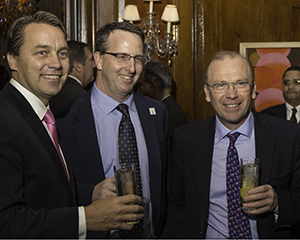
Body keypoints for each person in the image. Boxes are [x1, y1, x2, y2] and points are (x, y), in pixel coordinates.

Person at [0, 11, 143, 238]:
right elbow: (5, 224)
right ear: (12, 60)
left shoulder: (44, 116)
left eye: (62, 53)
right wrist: (86, 218)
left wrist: (91, 194)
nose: (56, 63)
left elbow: (48, 192)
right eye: (41, 52)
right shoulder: (5, 120)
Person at [166, 51, 300, 238]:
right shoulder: (186, 139)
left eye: (240, 83)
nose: (231, 94)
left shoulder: (288, 136)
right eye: (221, 85)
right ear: (207, 93)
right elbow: (177, 205)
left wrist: (277, 202)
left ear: (253, 89)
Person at [57, 21, 169, 238]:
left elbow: (166, 184)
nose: (132, 68)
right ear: (98, 60)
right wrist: (90, 193)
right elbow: (49, 190)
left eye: (138, 59)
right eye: (122, 57)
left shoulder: (158, 113)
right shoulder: (65, 118)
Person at [136, 60, 188, 140]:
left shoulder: (165, 112)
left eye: (140, 85)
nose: (138, 90)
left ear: (151, 85)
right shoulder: (173, 108)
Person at [50, 40, 95, 118]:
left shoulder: (52, 91)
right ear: (78, 66)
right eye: (91, 60)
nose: (94, 65)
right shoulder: (82, 99)